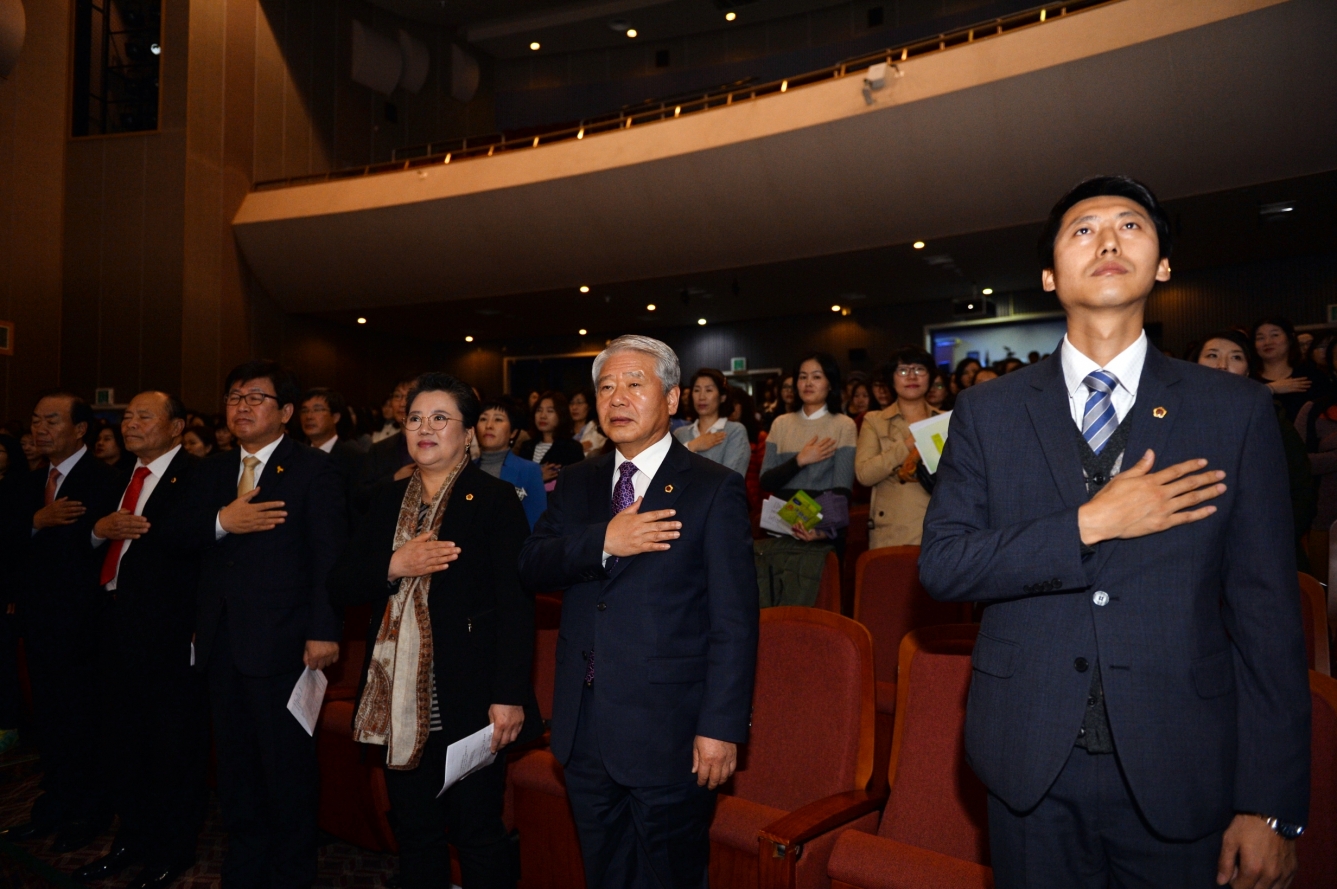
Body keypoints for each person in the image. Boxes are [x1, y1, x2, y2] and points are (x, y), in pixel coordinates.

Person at [920, 176, 1310, 889]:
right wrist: (1089, 523)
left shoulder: (1234, 411)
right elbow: (944, 565)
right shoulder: (988, 412)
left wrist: (1270, 804)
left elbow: (1265, 617)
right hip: (1028, 759)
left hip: (1183, 760)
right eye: (1081, 230)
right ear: (1048, 276)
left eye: (1129, 226)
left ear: (1162, 265)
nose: (1105, 239)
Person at [518, 335, 757, 889]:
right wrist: (605, 538)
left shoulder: (712, 488)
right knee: (605, 873)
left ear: (672, 400)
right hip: (584, 727)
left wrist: (721, 728)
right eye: (606, 386)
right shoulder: (577, 481)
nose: (616, 398)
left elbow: (734, 623)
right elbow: (532, 564)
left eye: (633, 384)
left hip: (670, 729)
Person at [330, 374, 537, 889]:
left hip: (470, 698)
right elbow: (341, 583)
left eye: (440, 418)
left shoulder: (495, 500)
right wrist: (395, 563)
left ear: (469, 433)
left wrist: (509, 697)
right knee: (416, 833)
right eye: (415, 418)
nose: (425, 428)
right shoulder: (385, 499)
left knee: (476, 832)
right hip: (400, 706)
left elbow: (516, 607)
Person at [166, 360, 346, 889]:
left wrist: (324, 629)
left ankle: (292, 872)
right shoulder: (213, 470)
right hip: (220, 643)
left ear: (285, 412)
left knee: (285, 767)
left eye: (255, 398)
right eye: (234, 397)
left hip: (287, 643)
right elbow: (174, 535)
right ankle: (244, 868)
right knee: (238, 768)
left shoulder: (313, 469)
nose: (241, 407)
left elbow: (328, 556)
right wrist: (225, 521)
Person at [78, 392, 208, 889]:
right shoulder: (116, 478)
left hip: (170, 632)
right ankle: (130, 839)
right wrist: (97, 530)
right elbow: (88, 545)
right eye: (126, 416)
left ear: (176, 427)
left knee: (172, 745)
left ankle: (172, 849)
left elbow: (198, 548)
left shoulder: (198, 476)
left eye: (143, 416)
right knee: (122, 741)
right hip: (113, 625)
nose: (130, 423)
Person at [4, 392, 120, 851]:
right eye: (35, 420)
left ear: (79, 430)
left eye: (52, 420)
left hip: (86, 624)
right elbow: (7, 536)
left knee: (84, 721)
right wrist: (37, 520)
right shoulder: (25, 483)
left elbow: (99, 549)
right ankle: (53, 804)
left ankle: (88, 811)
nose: (40, 429)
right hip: (37, 622)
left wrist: (66, 531)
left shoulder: (105, 480)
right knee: (49, 719)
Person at [1190, 331, 1316, 575]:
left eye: (1235, 358)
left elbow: (1301, 487)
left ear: (1248, 372)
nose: (1222, 365)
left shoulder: (1270, 417)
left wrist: (1273, 538)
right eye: (1212, 355)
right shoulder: (1169, 418)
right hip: (1192, 557)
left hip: (1262, 555)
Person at [760, 352, 857, 554]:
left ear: (830, 383)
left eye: (816, 377)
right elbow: (766, 481)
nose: (808, 383)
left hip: (823, 531)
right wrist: (800, 460)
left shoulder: (843, 424)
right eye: (802, 377)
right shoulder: (781, 423)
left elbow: (842, 490)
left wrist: (820, 530)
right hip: (781, 528)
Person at [855, 348, 943, 549]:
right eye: (903, 370)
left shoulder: (945, 420)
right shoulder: (874, 421)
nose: (912, 376)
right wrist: (907, 444)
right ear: (891, 379)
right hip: (893, 531)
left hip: (939, 527)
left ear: (930, 377)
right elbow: (864, 474)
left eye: (920, 369)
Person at [475, 397, 547, 530]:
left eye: (498, 419)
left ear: (513, 432)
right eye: (483, 419)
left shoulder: (529, 470)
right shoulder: (465, 469)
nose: (489, 425)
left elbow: (537, 523)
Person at [0, 434, 28, 757]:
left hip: (7, 588)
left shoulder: (18, 487)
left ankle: (9, 723)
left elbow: (14, 546)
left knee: (6, 659)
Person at [354, 377, 419, 514]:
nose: (402, 403)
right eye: (397, 396)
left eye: (409, 396)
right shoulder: (379, 449)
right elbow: (361, 497)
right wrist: (393, 479)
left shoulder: (438, 445)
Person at [674, 368, 749, 477]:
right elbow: (669, 473)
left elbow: (731, 479)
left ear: (722, 397)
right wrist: (692, 446)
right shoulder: (680, 433)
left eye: (708, 390)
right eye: (696, 390)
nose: (701, 397)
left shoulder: (735, 431)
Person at [1254, 317, 1327, 422]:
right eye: (1260, 338)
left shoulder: (1312, 377)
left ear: (1290, 338)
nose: (1267, 342)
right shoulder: (1248, 379)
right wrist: (1269, 389)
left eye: (1275, 335)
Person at [516, 391, 584, 486]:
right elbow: (517, 487)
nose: (542, 416)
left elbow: (577, 484)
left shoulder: (571, 448)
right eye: (539, 410)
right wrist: (537, 477)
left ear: (561, 415)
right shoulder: (526, 446)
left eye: (550, 411)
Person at [728, 386, 767, 514]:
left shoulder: (758, 436)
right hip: (730, 501)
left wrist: (764, 510)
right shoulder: (719, 436)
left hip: (754, 504)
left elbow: (765, 477)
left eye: (734, 404)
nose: (730, 409)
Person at [568, 388, 607, 458]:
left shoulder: (598, 430)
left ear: (589, 406)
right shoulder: (564, 430)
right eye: (571, 403)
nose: (574, 407)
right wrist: (578, 448)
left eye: (579, 403)